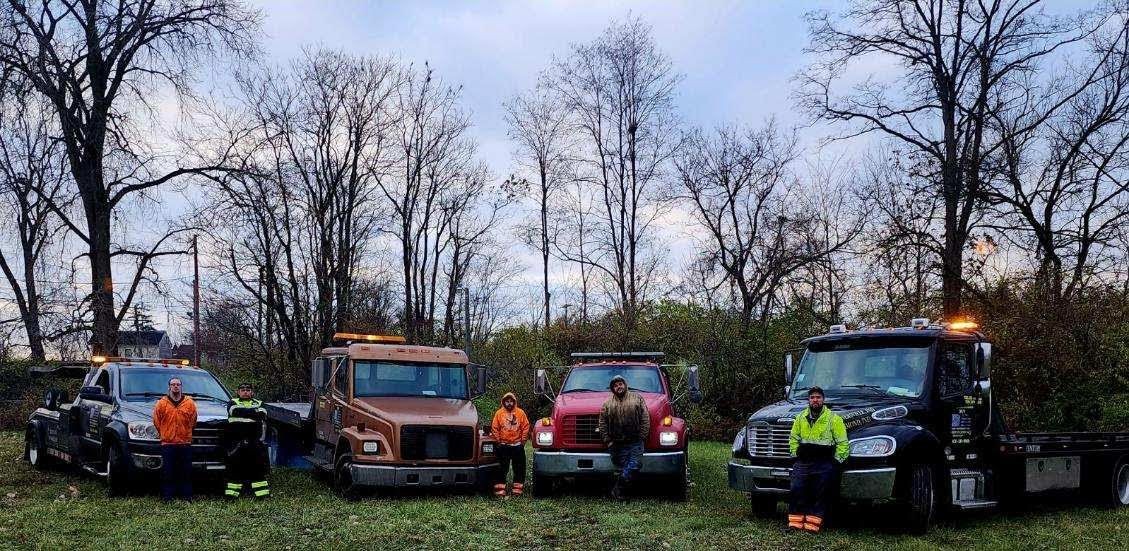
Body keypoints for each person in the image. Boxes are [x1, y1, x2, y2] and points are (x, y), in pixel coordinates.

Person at [787, 386, 848, 533]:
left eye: (818, 397)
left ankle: (812, 526)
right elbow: (793, 439)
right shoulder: (800, 418)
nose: (815, 400)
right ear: (808, 400)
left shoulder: (834, 419)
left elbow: (843, 443)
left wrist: (836, 462)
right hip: (803, 462)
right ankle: (795, 524)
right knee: (797, 490)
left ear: (823, 400)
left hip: (824, 463)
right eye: (812, 397)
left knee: (819, 493)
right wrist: (796, 454)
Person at [598, 375, 649, 501]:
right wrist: (608, 441)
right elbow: (602, 423)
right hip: (616, 443)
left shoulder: (637, 398)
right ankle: (619, 492)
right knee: (622, 467)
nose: (618, 387)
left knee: (635, 465)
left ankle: (617, 488)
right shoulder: (608, 404)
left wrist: (642, 436)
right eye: (615, 385)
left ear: (625, 385)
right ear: (612, 389)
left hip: (635, 441)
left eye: (620, 384)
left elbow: (645, 418)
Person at [152, 377, 197, 502]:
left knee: (186, 471)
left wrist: (185, 433)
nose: (176, 386)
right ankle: (167, 497)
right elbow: (157, 421)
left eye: (178, 384)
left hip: (185, 443)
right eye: (173, 384)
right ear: (169, 387)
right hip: (168, 443)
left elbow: (193, 421)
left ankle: (187, 496)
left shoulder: (189, 403)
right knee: (168, 471)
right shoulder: (161, 403)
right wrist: (166, 433)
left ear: (181, 387)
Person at [225, 382, 270, 499]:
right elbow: (234, 411)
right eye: (243, 390)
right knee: (235, 470)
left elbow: (263, 414)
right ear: (238, 392)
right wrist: (253, 413)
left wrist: (247, 413)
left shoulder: (259, 403)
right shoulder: (233, 402)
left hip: (255, 442)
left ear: (252, 392)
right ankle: (231, 496)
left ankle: (263, 495)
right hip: (237, 443)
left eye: (248, 390)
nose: (245, 392)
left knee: (258, 469)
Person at [490, 392, 530, 497]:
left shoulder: (521, 413)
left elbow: (525, 427)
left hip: (517, 446)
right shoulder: (499, 413)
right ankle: (500, 490)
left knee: (519, 468)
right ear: (504, 402)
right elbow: (495, 428)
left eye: (511, 401)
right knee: (501, 468)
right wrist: (498, 441)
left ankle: (517, 489)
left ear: (514, 402)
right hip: (503, 445)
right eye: (507, 401)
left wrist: (523, 441)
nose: (509, 403)